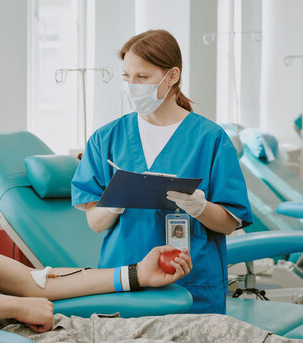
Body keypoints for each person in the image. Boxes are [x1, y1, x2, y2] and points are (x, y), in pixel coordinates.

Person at [0, 117, 287, 343]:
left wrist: (133, 275)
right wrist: (17, 307)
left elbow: (34, 279)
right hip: (9, 336)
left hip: (55, 328)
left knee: (222, 331)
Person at [71, 29, 253, 314]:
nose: (132, 86)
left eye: (142, 77)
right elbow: (95, 223)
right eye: (126, 77)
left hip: (192, 285)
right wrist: (118, 198)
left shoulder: (210, 138)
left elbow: (230, 222)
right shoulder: (106, 138)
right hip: (125, 281)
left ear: (172, 76)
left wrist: (200, 206)